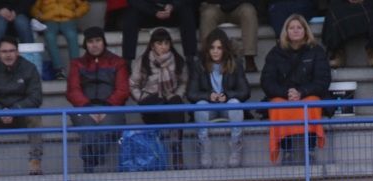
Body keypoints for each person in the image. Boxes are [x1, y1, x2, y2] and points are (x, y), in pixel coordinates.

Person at [260, 14, 330, 165]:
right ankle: (287, 152)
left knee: (312, 102)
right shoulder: (275, 52)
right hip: (284, 96)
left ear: (306, 30)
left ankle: (310, 150)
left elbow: (323, 81)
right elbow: (266, 81)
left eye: (299, 27)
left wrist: (302, 92)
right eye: (291, 28)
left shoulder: (316, 51)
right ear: (286, 31)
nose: (295, 30)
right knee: (278, 104)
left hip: (308, 94)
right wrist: (287, 93)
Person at [0, 36, 43, 177]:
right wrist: (0, 111)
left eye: (12, 51)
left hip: (21, 114)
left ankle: (35, 161)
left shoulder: (29, 68)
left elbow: (36, 98)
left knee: (36, 116)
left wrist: (15, 110)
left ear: (17, 52)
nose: (8, 54)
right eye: (4, 51)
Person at [66, 26, 129, 173]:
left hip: (112, 108)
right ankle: (90, 169)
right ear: (85, 44)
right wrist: (88, 107)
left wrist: (106, 107)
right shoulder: (77, 63)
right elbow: (72, 90)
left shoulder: (117, 62)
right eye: (90, 41)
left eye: (98, 40)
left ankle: (90, 162)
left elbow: (123, 90)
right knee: (89, 131)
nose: (94, 45)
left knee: (104, 130)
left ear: (104, 42)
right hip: (84, 108)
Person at [186, 28, 249, 168]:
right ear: (207, 49)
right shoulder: (198, 65)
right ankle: (204, 147)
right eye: (212, 47)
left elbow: (245, 92)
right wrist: (209, 96)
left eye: (219, 48)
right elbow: (191, 93)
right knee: (200, 104)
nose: (215, 51)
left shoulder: (235, 63)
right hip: (210, 109)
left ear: (225, 49)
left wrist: (227, 96)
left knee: (235, 103)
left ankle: (236, 145)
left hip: (226, 108)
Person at [129, 27, 188, 170]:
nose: (164, 47)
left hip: (170, 102)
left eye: (166, 43)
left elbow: (183, 82)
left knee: (175, 102)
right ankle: (163, 153)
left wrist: (177, 95)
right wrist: (142, 98)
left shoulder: (178, 60)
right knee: (160, 102)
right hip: (152, 103)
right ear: (152, 45)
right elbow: (133, 85)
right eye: (160, 43)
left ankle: (176, 150)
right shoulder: (143, 61)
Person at [121, 0, 197, 62]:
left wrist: (173, 6)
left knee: (186, 11)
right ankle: (127, 62)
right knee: (130, 16)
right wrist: (153, 10)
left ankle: (191, 60)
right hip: (147, 12)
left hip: (171, 12)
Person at [30, 0, 88, 80]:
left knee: (72, 35)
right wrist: (39, 15)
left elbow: (84, 5)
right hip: (50, 20)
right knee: (49, 36)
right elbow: (34, 8)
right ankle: (59, 70)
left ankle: (76, 69)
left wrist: (75, 14)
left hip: (68, 20)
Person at [198, 0, 259, 72]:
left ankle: (249, 58)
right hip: (216, 6)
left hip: (239, 6)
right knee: (207, 14)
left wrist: (228, 5)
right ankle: (208, 57)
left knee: (249, 11)